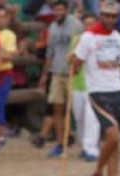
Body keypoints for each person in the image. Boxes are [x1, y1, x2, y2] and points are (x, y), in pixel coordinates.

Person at [71, 0, 120, 176]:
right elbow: (76, 67)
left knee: (115, 141)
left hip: (117, 90)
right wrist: (73, 63)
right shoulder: (88, 38)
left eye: (114, 16)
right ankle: (98, 172)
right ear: (101, 15)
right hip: (98, 92)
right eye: (107, 16)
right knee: (113, 135)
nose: (110, 19)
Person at [39, 0, 81, 157]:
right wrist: (45, 74)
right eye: (56, 10)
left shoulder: (76, 25)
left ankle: (82, 141)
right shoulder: (52, 27)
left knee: (76, 108)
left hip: (72, 72)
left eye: (61, 10)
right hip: (56, 71)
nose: (58, 13)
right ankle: (60, 142)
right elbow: (49, 52)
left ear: (66, 10)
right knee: (57, 107)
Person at [71, 12, 101, 163]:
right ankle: (84, 145)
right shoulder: (77, 39)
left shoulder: (99, 40)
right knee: (79, 117)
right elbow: (71, 62)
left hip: (93, 85)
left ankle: (91, 148)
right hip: (77, 84)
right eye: (87, 24)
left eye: (92, 24)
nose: (89, 27)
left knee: (92, 118)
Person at [0, 5, 15, 154]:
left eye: (1, 17)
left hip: (3, 73)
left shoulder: (9, 35)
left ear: (7, 19)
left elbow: (9, 55)